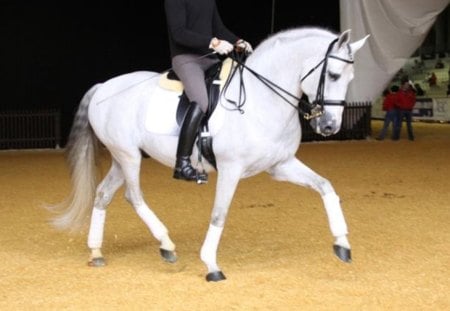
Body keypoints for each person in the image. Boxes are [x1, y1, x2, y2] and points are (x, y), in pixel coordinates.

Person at [164, 0, 253, 181]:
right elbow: (179, 33)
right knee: (201, 101)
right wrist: (212, 42)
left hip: (210, 59)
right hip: (186, 59)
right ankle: (182, 163)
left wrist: (238, 41)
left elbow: (218, 28)